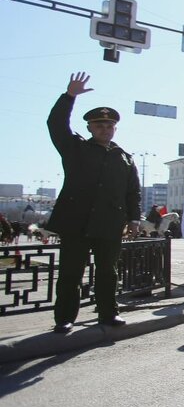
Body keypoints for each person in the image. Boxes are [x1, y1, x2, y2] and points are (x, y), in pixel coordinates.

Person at [44, 72, 142, 333]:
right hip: (77, 222)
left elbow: (133, 192)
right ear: (89, 128)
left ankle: (109, 314)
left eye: (109, 126)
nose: (105, 129)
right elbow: (55, 125)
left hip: (109, 224)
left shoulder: (125, 158)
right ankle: (65, 318)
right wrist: (69, 96)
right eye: (99, 125)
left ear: (115, 129)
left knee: (108, 272)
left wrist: (134, 219)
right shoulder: (76, 148)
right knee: (70, 273)